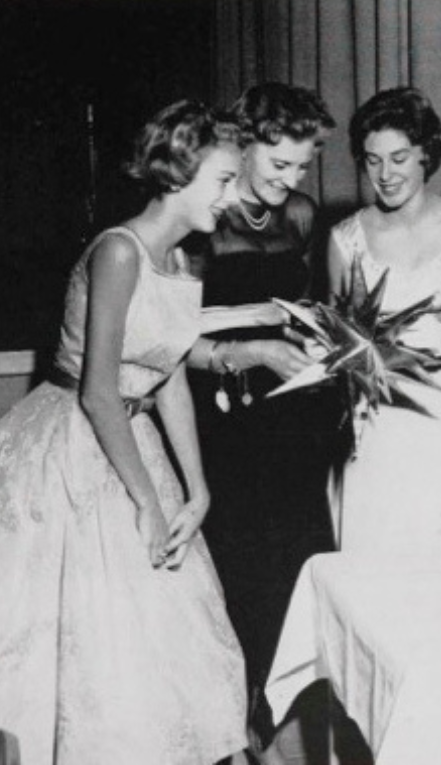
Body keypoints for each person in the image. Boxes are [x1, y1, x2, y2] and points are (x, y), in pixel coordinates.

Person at [0, 100, 248, 764]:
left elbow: (169, 377)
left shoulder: (184, 260)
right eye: (224, 180)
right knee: (89, 640)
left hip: (136, 442)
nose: (232, 197)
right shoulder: (119, 251)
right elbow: (99, 393)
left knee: (163, 640)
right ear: (180, 172)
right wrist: (147, 501)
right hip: (72, 448)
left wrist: (197, 489)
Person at [184, 82, 340, 743]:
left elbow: (305, 310)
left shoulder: (301, 215)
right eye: (279, 163)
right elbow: (166, 331)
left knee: (298, 559)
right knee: (237, 563)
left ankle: (286, 722)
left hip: (290, 413)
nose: (292, 180)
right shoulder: (203, 214)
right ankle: (239, 722)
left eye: (303, 166)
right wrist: (254, 346)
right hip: (220, 413)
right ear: (243, 147)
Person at [327, 87, 441, 552]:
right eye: (373, 160)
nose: (385, 175)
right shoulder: (346, 239)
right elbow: (338, 347)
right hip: (378, 424)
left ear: (427, 153)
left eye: (399, 158)